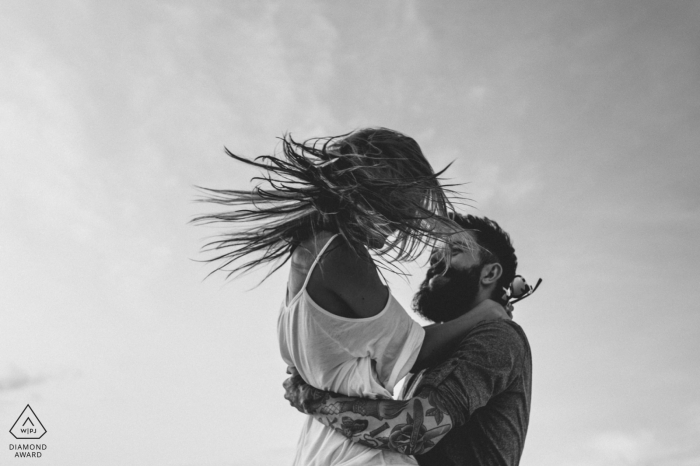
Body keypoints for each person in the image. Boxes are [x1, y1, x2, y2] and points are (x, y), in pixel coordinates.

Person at [194, 129, 509, 466]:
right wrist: (488, 311)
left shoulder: (306, 261)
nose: (400, 226)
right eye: (401, 209)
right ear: (371, 192)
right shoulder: (341, 257)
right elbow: (415, 357)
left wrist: (314, 400)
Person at [283, 214, 533, 466]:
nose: (436, 258)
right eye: (436, 252)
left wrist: (315, 400)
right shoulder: (438, 349)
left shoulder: (498, 337)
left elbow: (416, 429)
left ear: (490, 273)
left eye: (455, 250)